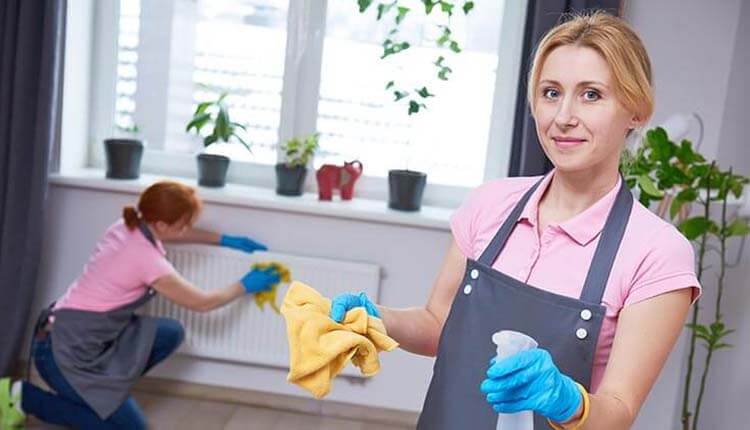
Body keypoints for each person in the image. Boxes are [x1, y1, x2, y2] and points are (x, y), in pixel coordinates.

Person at [327, 12, 700, 429]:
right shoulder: (490, 204)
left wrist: (568, 401)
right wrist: (374, 318)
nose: (564, 116)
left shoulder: (657, 252)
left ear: (637, 110)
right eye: (551, 92)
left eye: (591, 95)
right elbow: (438, 325)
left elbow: (619, 410)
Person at [0, 181, 280, 429]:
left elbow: (177, 232)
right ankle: (24, 397)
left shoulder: (126, 225)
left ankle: (102, 395)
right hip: (62, 356)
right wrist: (244, 285)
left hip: (82, 338)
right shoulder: (146, 260)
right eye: (183, 224)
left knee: (169, 333)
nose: (186, 230)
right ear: (162, 225)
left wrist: (224, 240)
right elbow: (201, 303)